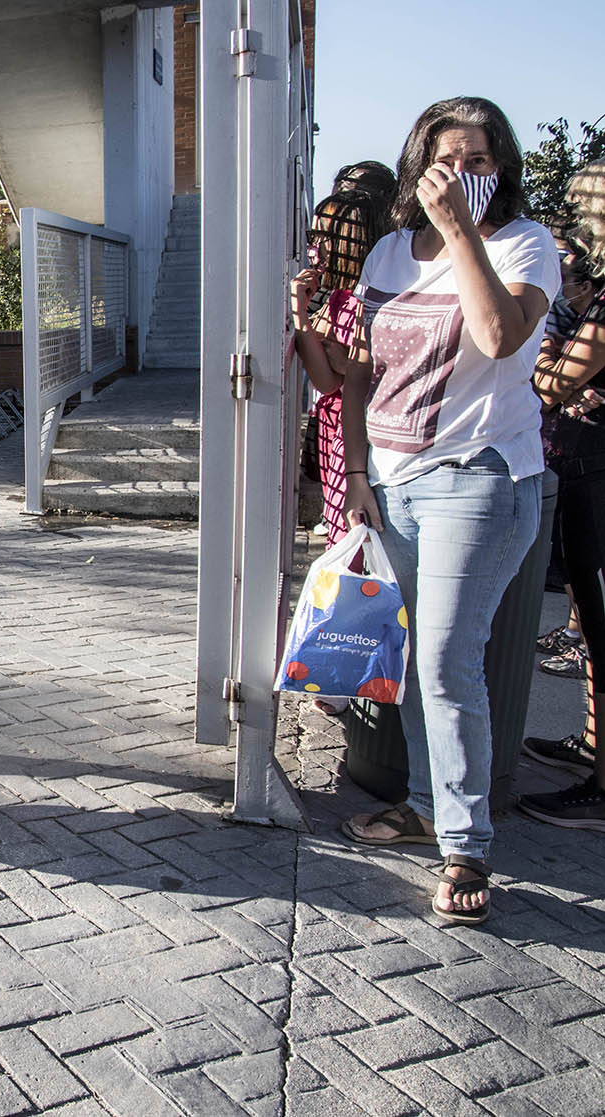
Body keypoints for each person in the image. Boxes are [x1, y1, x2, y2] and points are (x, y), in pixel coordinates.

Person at [333, 97, 561, 925]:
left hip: (482, 480)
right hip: (395, 483)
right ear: (416, 165)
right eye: (446, 157)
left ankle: (466, 847)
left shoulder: (525, 244)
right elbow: (362, 370)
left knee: (445, 661)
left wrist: (462, 229)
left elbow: (500, 337)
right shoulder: (390, 252)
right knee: (418, 661)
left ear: (500, 168)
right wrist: (358, 469)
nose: (462, 171)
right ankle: (426, 804)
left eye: (480, 157)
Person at [519, 160, 605, 831]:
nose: (576, 227)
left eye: (585, 210)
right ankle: (591, 748)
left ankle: (601, 787)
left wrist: (544, 347)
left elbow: (553, 384)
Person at [292, 180, 397, 546]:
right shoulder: (338, 298)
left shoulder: (366, 303)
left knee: (356, 537)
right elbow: (327, 373)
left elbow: (328, 379)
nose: (313, 249)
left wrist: (304, 320)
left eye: (322, 238)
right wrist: (301, 314)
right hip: (337, 433)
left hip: (353, 435)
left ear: (349, 242)